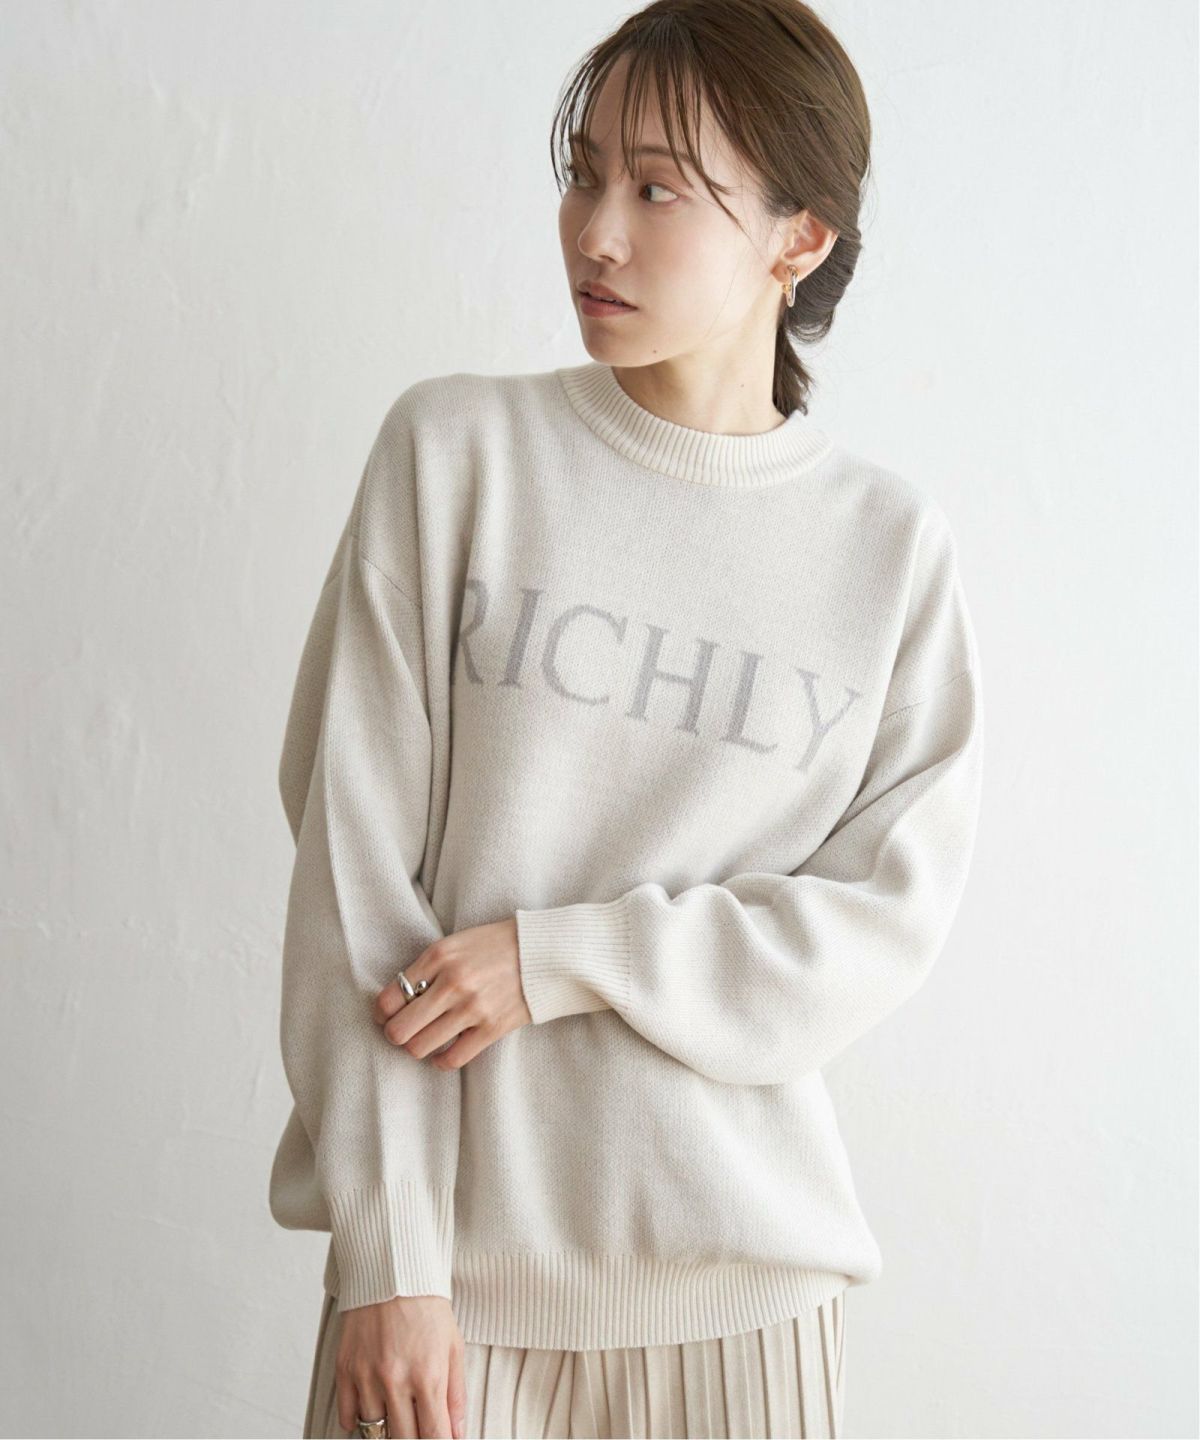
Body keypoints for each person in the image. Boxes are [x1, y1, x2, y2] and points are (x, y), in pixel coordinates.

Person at [269, 2, 985, 1436]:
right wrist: (392, 1260)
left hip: (748, 1304)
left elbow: (874, 925)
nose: (595, 233)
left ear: (799, 237)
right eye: (584, 174)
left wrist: (564, 958)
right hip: (445, 1311)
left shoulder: (885, 551)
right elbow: (353, 878)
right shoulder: (456, 455)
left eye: (657, 189)